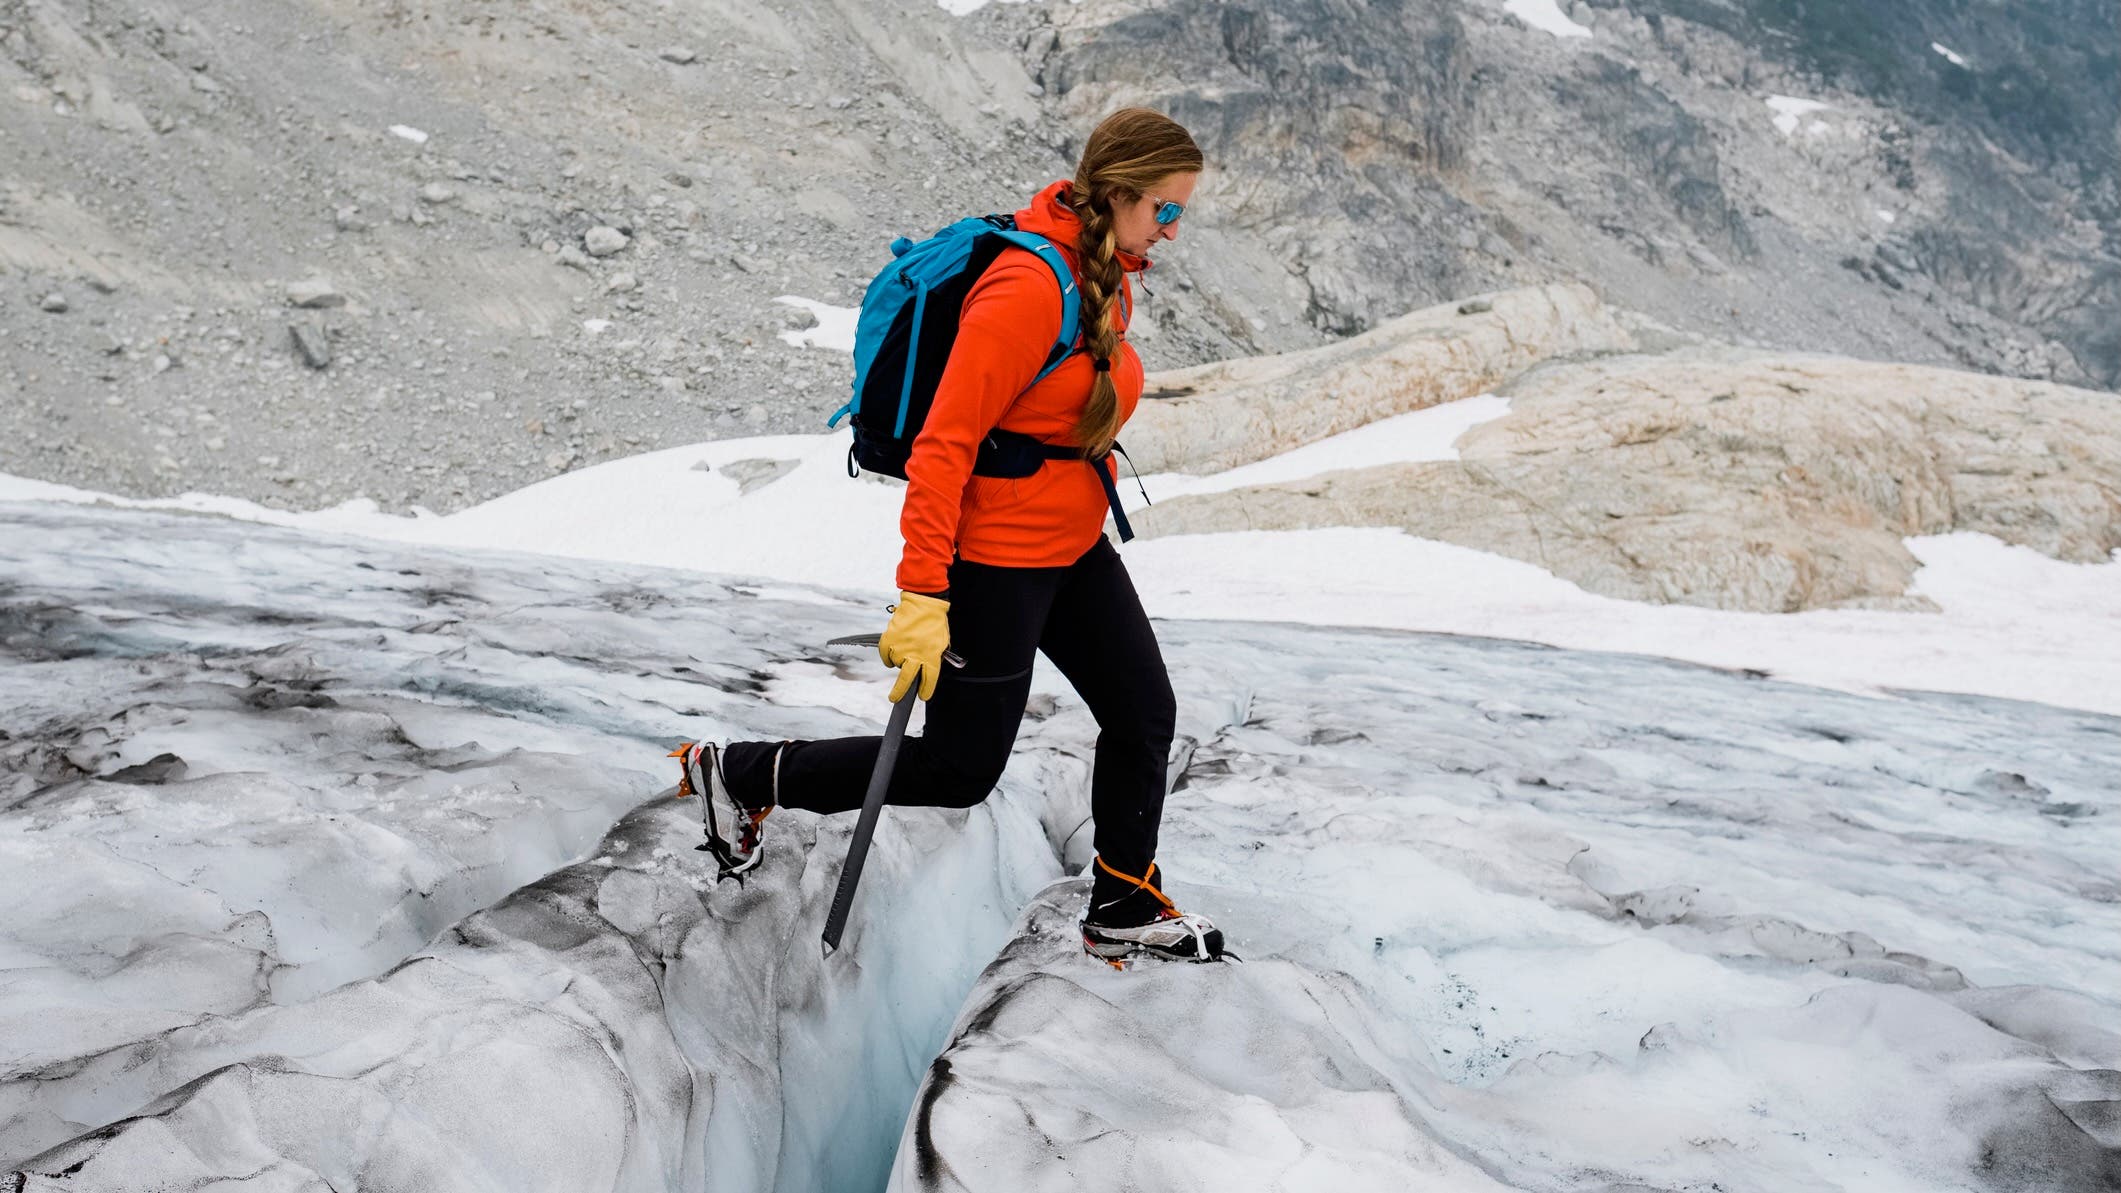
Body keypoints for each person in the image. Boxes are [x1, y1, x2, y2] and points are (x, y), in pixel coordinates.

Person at [673, 107, 1222, 964]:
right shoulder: (1027, 288)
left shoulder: (1101, 270)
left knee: (1143, 711)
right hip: (995, 561)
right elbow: (945, 445)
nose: (1174, 231)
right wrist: (924, 589)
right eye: (1167, 210)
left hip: (1071, 547)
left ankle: (1122, 901)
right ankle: (737, 772)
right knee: (960, 769)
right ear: (1117, 194)